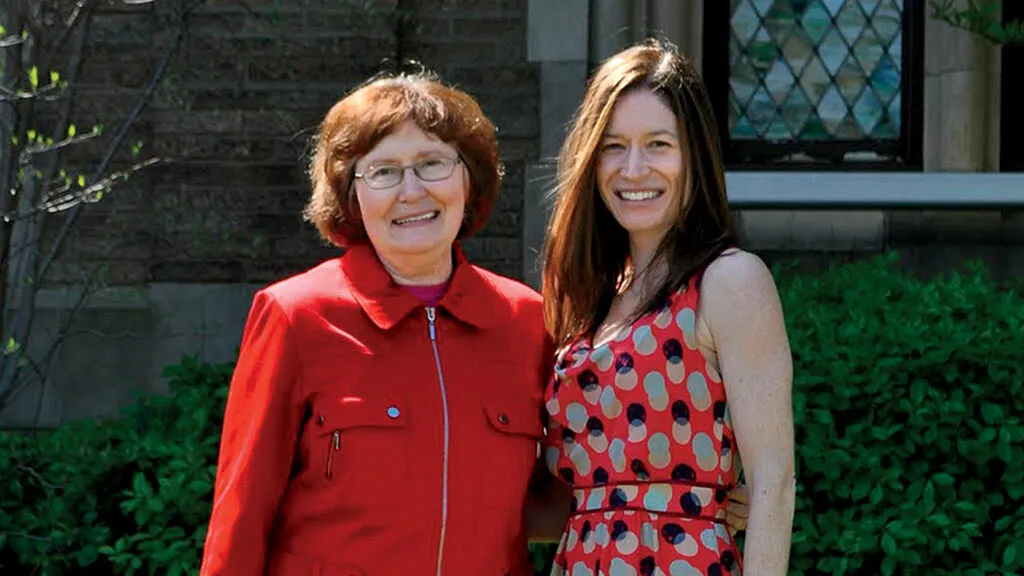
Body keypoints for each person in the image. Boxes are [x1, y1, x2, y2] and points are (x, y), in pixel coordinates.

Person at [198, 70, 553, 575]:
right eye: (383, 172)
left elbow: (564, 495)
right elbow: (242, 513)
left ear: (468, 177)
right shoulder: (297, 316)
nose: (411, 191)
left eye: (433, 163)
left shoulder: (526, 322)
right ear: (350, 194)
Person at [540, 39, 795, 575]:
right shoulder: (586, 299)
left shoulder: (730, 281)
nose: (633, 169)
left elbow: (773, 481)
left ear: (693, 155)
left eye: (658, 144)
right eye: (613, 146)